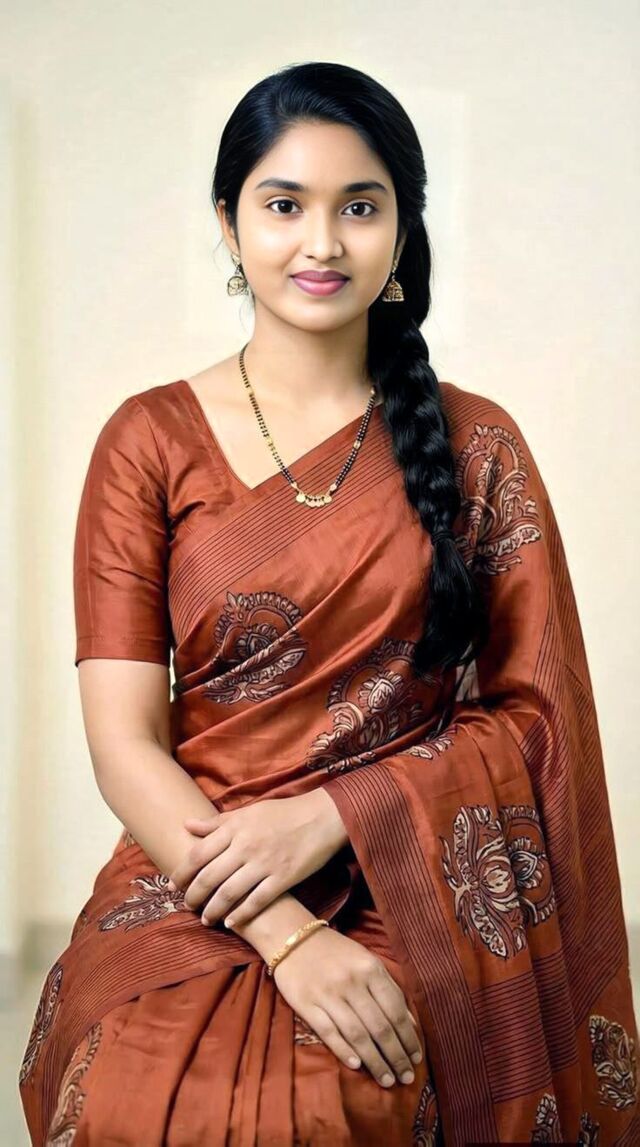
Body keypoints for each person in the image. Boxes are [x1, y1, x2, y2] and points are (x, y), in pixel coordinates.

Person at [19, 60, 638, 1146]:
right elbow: (124, 743)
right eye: (283, 205)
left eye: (359, 207)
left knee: (348, 1096)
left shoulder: (477, 444)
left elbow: (536, 720)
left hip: (410, 873)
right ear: (228, 222)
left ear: (402, 229)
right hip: (200, 860)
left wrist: (333, 816)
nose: (322, 242)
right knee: (126, 1084)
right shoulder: (148, 441)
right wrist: (287, 935)